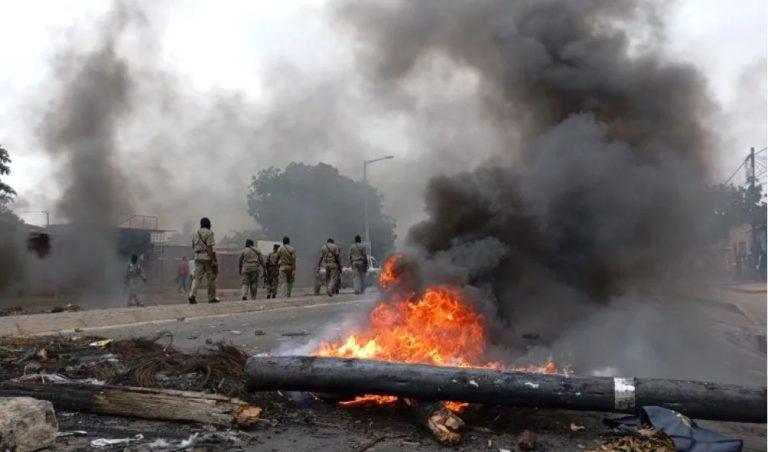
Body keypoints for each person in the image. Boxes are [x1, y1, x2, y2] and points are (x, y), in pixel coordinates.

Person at [189, 217, 219, 304]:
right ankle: (211, 298)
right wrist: (213, 260)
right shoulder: (209, 233)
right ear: (208, 224)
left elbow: (193, 246)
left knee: (196, 278)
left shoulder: (195, 233)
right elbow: (209, 248)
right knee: (211, 278)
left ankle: (192, 295)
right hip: (207, 257)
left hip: (197, 257)